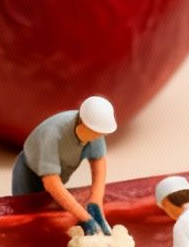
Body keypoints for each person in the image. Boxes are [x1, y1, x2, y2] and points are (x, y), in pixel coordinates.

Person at [12, 95, 117, 235]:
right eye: (97, 133)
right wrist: (85, 217)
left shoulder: (95, 133)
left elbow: (99, 161)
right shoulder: (53, 135)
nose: (100, 137)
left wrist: (95, 202)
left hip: (58, 177)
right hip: (29, 172)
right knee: (27, 220)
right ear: (83, 124)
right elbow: (51, 183)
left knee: (53, 217)